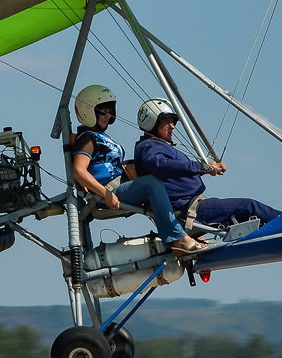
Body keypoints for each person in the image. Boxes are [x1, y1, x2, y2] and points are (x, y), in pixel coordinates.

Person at [71, 84, 207, 256]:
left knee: (157, 177)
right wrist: (106, 194)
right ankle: (177, 238)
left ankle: (185, 233)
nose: (107, 116)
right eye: (102, 112)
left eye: (109, 111)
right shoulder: (88, 138)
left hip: (119, 186)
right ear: (88, 112)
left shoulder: (101, 137)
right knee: (151, 183)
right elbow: (78, 171)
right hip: (107, 193)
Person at [134, 98, 282, 229]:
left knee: (249, 213)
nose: (173, 126)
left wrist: (209, 169)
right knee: (249, 207)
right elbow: (163, 166)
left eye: (173, 122)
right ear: (151, 122)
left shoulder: (158, 146)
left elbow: (176, 173)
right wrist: (202, 167)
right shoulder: (148, 148)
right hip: (188, 208)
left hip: (195, 204)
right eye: (167, 121)